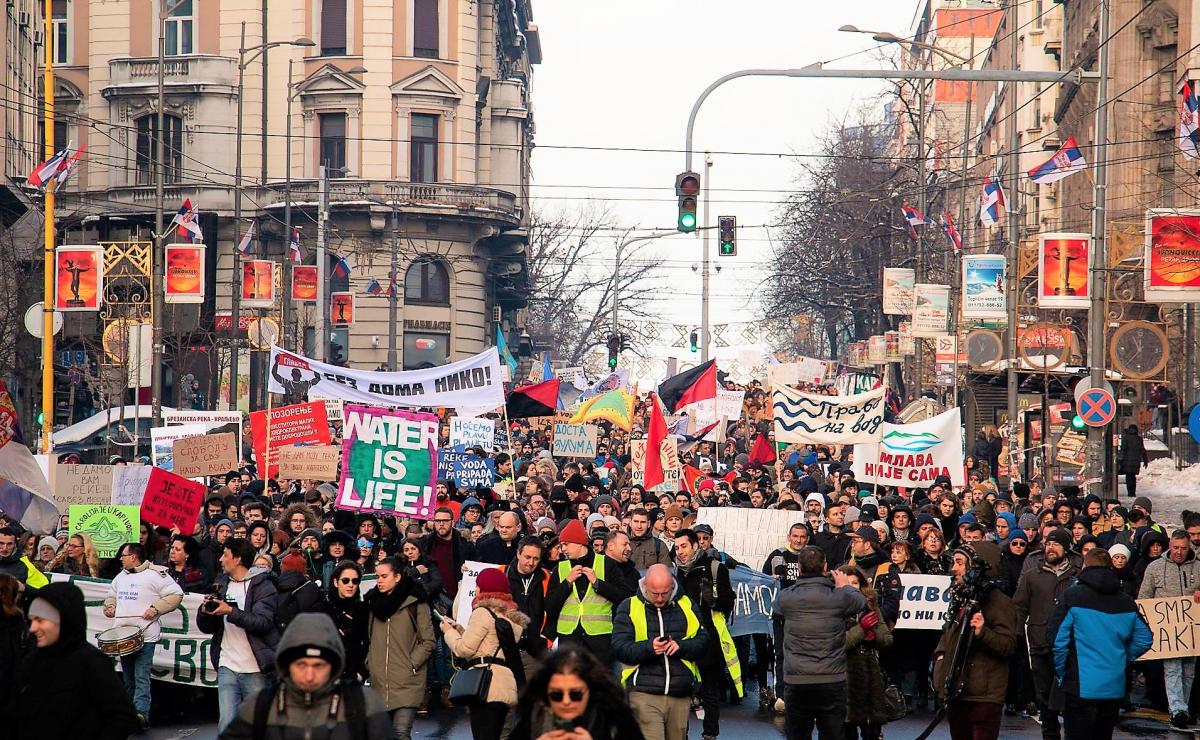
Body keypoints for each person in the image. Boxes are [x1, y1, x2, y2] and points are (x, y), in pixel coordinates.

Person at [217, 612, 391, 739]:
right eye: (301, 665)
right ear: (287, 665)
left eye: (318, 666)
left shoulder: (362, 703)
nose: (309, 675)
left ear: (333, 666)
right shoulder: (261, 706)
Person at [10, 581, 140, 740]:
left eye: (41, 620)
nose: (33, 628)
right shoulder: (32, 661)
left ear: (64, 618)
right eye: (31, 620)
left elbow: (122, 717)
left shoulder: (92, 663)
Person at [1048, 548, 1153, 740]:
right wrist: (1122, 657)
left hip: (1080, 684)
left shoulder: (1072, 597)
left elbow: (1056, 640)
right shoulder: (1126, 601)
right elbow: (1144, 638)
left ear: (1085, 565)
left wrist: (1063, 672)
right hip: (1113, 684)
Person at [772, 545, 868, 740]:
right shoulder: (838, 596)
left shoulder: (787, 597)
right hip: (831, 679)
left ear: (799, 568)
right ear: (825, 566)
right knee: (833, 734)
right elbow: (861, 602)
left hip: (797, 679)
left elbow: (777, 609)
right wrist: (845, 586)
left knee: (797, 735)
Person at [611, 563, 708, 740]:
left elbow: (703, 642)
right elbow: (619, 647)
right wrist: (649, 648)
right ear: (645, 585)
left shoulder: (687, 605)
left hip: (680, 692)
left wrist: (681, 647)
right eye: (655, 593)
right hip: (643, 693)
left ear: (673, 585)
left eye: (665, 592)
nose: (661, 598)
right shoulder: (629, 606)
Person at [932, 541, 1018, 740]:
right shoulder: (960, 596)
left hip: (984, 695)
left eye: (960, 563)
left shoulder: (999, 601)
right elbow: (947, 634)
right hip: (957, 689)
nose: (954, 569)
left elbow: (1008, 646)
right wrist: (940, 659)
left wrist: (983, 633)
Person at [197, 537, 282, 734]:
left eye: (225, 555)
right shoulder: (221, 584)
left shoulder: (264, 586)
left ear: (238, 559)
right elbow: (207, 628)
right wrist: (205, 610)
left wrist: (230, 612)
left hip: (255, 668)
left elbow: (263, 622)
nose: (220, 559)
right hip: (227, 664)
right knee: (226, 725)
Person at [440, 567, 529, 740]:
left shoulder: (482, 612)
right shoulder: (512, 618)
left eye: (478, 585)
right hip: (504, 686)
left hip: (485, 686)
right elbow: (490, 643)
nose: (477, 589)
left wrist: (447, 632)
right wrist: (459, 629)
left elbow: (464, 649)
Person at [103, 541, 184, 730]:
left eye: (123, 555)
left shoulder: (155, 575)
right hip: (123, 636)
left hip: (145, 635)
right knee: (129, 678)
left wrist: (156, 609)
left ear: (133, 557)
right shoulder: (120, 576)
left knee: (141, 676)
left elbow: (176, 594)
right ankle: (129, 713)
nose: (121, 559)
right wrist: (109, 606)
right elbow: (111, 594)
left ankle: (141, 714)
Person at [673, 528, 741, 740]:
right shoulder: (677, 572)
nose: (680, 551)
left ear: (695, 546)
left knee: (710, 691)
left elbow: (729, 601)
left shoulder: (714, 568)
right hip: (684, 639)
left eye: (684, 546)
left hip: (709, 638)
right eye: (676, 548)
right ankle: (680, 733)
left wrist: (713, 601)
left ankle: (710, 733)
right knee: (682, 691)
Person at [1013, 528, 1079, 740]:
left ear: (1066, 549)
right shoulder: (1032, 576)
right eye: (1048, 544)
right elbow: (1019, 607)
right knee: (1044, 696)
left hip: (1068, 647)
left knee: (1067, 694)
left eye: (1056, 544)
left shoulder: (1076, 578)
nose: (1050, 548)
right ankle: (1050, 735)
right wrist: (1017, 635)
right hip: (1039, 642)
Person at [545, 518, 633, 666]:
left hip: (600, 641)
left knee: (598, 685)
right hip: (569, 640)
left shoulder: (606, 563)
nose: (563, 549)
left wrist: (598, 583)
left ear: (579, 543)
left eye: (566, 544)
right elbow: (550, 607)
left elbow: (624, 597)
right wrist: (567, 583)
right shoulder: (560, 569)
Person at [365, 556, 435, 740]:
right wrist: (370, 663)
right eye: (377, 576)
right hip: (379, 681)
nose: (379, 580)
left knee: (400, 733)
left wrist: (411, 664)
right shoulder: (372, 602)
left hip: (407, 681)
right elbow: (368, 638)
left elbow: (428, 641)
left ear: (397, 577)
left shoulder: (416, 601)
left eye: (384, 576)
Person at [508, 648, 646, 740]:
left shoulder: (614, 718)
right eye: (556, 695)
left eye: (576, 695)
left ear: (590, 690)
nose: (566, 701)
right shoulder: (534, 718)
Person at [1137, 529, 1200, 727]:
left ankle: (1184, 706)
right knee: (1172, 669)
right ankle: (1177, 709)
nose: (1179, 552)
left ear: (1189, 547)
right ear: (1169, 546)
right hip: (1167, 631)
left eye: (1183, 548)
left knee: (1189, 671)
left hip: (1192, 630)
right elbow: (1144, 596)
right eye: (1175, 548)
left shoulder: (1199, 567)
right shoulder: (1155, 567)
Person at [836, 564, 893, 740]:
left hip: (870, 675)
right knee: (847, 730)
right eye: (848, 583)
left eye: (855, 583)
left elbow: (887, 640)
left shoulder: (870, 606)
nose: (852, 587)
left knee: (872, 731)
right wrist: (861, 629)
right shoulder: (834, 609)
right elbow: (837, 643)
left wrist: (873, 634)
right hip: (843, 674)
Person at [327, 560, 369, 680]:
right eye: (345, 580)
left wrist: (361, 673)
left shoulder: (363, 610)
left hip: (354, 678)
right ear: (336, 582)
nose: (350, 585)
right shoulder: (323, 608)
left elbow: (369, 644)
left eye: (355, 581)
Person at [0, 525, 48, 589]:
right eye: (1, 543)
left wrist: (24, 588)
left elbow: (43, 588)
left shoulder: (25, 565)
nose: (5, 548)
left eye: (9, 544)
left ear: (15, 545)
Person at [1118, 425, 1149, 498]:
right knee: (1133, 477)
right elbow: (1142, 450)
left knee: (1128, 477)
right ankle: (1133, 492)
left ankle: (1129, 492)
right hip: (1136, 461)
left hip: (1127, 461)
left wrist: (1120, 459)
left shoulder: (1126, 438)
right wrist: (1145, 460)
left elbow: (1123, 448)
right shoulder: (1139, 439)